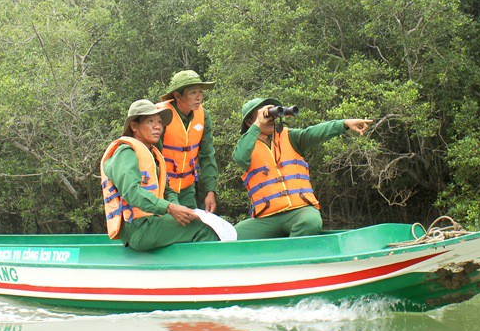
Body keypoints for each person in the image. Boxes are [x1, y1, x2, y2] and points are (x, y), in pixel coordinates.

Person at [233, 98, 371, 240]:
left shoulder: (290, 137)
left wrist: (344, 124)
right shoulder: (246, 145)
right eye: (263, 115)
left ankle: (291, 257)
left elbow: (316, 132)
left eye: (271, 114)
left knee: (310, 222)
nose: (269, 118)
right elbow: (240, 158)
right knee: (231, 236)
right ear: (250, 122)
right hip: (267, 218)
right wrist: (257, 125)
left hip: (299, 212)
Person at [101, 100, 220, 251]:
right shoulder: (125, 152)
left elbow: (167, 190)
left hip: (152, 222)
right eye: (150, 121)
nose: (158, 126)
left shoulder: (152, 154)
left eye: (159, 122)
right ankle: (205, 272)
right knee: (202, 228)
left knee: (197, 221)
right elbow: (132, 193)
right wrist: (169, 209)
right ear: (134, 126)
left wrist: (177, 208)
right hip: (137, 228)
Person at [156, 70, 218, 213]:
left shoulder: (203, 116)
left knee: (192, 226)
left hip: (187, 188)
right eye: (192, 93)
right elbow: (153, 156)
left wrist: (210, 191)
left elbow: (207, 154)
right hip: (162, 188)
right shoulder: (161, 115)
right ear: (177, 95)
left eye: (200, 92)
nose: (199, 97)